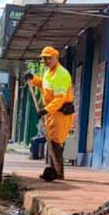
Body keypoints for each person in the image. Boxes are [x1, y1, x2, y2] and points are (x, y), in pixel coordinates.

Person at [25, 46, 74, 181]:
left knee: (56, 142)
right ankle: (54, 169)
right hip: (52, 113)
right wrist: (33, 79)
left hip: (60, 113)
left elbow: (59, 98)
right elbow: (43, 84)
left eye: (48, 58)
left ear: (56, 58)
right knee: (51, 141)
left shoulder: (61, 74)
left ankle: (58, 172)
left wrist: (46, 110)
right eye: (44, 58)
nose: (46, 61)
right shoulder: (48, 72)